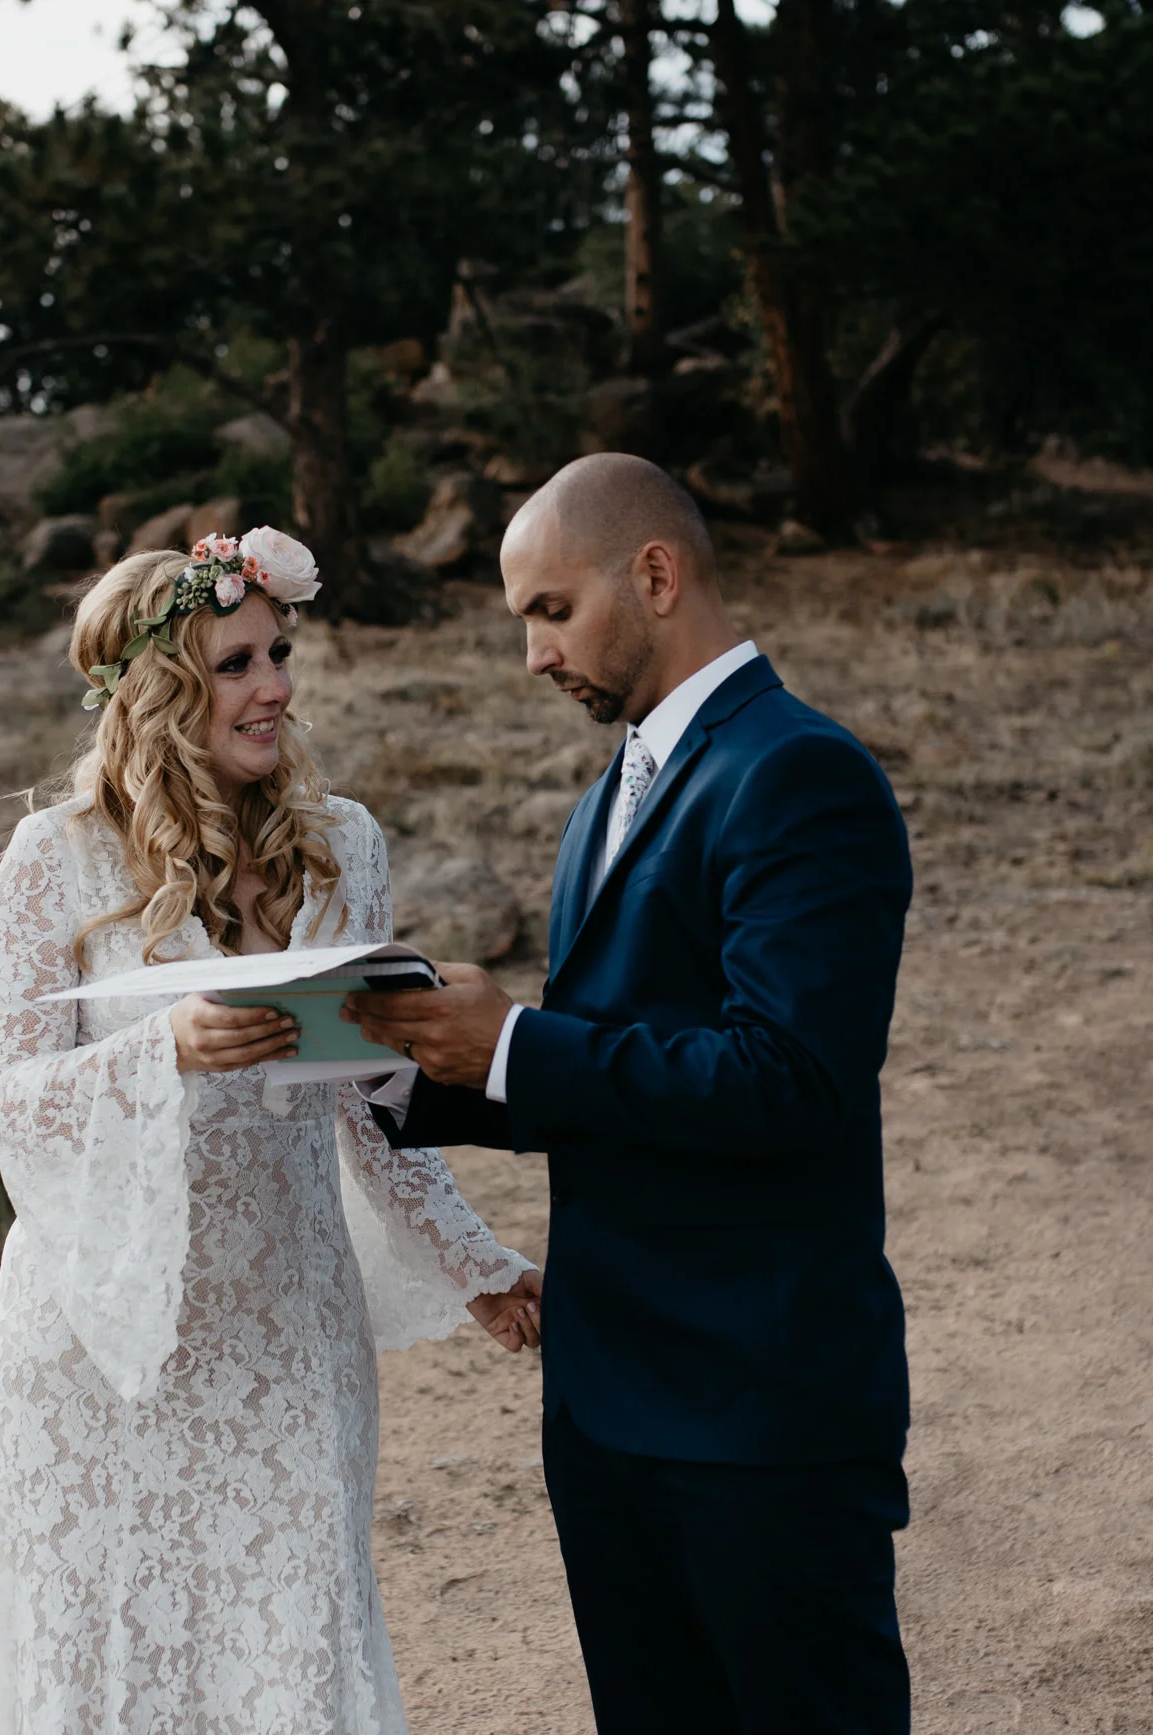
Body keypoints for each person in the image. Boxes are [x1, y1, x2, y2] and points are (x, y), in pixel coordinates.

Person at [344, 454, 916, 1734]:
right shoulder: (611, 793)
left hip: (756, 1412)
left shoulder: (799, 773)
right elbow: (611, 1072)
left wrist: (515, 1043)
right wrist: (381, 1059)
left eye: (550, 612)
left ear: (655, 574)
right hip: (609, 1404)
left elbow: (793, 1081)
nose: (533, 656)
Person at [0, 529, 544, 1734]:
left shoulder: (343, 845)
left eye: (279, 652)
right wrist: (156, 1053)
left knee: (293, 1623)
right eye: (236, 663)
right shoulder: (50, 862)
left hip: (288, 1314)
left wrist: (473, 1265)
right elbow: (11, 1100)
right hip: (108, 1336)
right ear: (157, 691)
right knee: (119, 1642)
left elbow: (374, 1100)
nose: (276, 684)